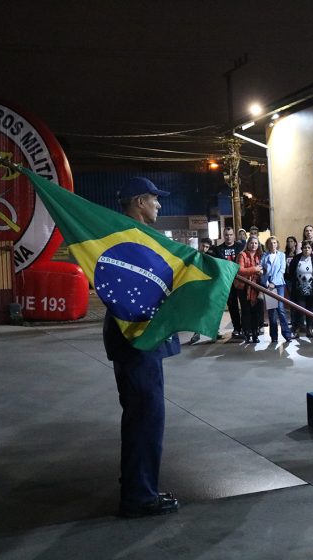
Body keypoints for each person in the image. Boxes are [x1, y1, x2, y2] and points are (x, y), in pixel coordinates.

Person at [105, 177, 180, 517]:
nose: (159, 205)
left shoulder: (132, 239)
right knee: (146, 418)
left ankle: (139, 487)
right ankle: (139, 497)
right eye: (154, 199)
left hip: (139, 337)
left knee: (141, 417)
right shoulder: (133, 242)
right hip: (137, 337)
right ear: (139, 202)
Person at [208, 227, 245, 339]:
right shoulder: (218, 249)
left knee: (245, 305)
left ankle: (246, 328)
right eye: (227, 235)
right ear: (224, 236)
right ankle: (237, 329)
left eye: (230, 234)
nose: (229, 237)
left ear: (234, 235)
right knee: (232, 306)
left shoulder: (240, 247)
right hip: (227, 282)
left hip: (241, 280)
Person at [261, 236, 294, 343]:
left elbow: (282, 270)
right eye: (270, 243)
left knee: (280, 308)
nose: (273, 245)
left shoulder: (281, 255)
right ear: (267, 245)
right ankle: (274, 336)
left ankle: (287, 334)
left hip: (279, 284)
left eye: (274, 243)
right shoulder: (264, 256)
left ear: (277, 244)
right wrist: (266, 282)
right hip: (268, 285)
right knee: (272, 311)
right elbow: (261, 270)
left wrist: (273, 282)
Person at [288, 240, 313, 337]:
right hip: (299, 289)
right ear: (301, 249)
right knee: (300, 309)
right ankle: (297, 329)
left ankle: (310, 329)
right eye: (305, 247)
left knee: (310, 310)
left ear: (312, 249)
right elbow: (291, 272)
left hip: (311, 289)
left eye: (309, 248)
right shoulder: (297, 259)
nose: (306, 249)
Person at [236, 236, 264, 344]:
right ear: (247, 244)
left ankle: (255, 333)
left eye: (256, 243)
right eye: (251, 243)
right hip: (243, 287)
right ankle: (247, 333)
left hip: (256, 287)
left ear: (258, 245)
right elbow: (240, 270)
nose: (253, 245)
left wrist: (261, 271)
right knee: (246, 311)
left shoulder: (260, 255)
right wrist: (255, 269)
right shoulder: (242, 255)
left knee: (256, 312)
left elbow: (264, 269)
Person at [189, 238, 214, 345]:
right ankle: (197, 333)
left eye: (207, 247)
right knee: (197, 311)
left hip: (207, 286)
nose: (204, 248)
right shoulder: (194, 255)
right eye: (203, 246)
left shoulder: (210, 258)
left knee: (209, 309)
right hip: (196, 286)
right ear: (199, 245)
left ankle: (213, 332)